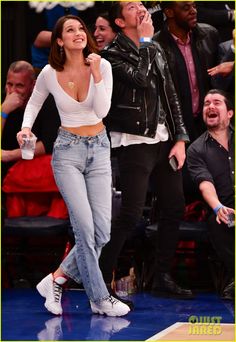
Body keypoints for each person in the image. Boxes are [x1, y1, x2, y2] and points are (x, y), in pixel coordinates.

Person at [17, 14, 130, 317]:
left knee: (101, 232)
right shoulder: (49, 73)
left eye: (81, 28)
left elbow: (102, 110)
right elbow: (34, 102)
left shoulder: (101, 65)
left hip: (99, 149)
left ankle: (56, 279)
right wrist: (26, 127)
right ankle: (99, 298)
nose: (79, 33)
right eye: (71, 30)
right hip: (66, 151)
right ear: (59, 40)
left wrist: (96, 73)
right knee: (84, 229)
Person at [99, 1, 193, 300]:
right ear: (119, 20)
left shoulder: (154, 48)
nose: (140, 7)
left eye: (141, 3)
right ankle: (100, 280)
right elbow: (139, 79)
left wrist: (180, 137)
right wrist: (148, 42)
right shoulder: (110, 56)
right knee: (130, 214)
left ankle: (161, 276)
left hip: (164, 140)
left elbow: (170, 93)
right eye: (131, 5)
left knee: (174, 205)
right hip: (134, 141)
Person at [187, 89, 235, 300]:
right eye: (206, 104)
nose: (210, 107)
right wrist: (217, 207)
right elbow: (204, 182)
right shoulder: (197, 149)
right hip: (223, 205)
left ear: (230, 113)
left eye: (216, 102)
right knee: (219, 222)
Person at [154, 1, 219, 143]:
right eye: (186, 8)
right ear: (169, 12)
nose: (193, 11)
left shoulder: (209, 34)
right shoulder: (155, 45)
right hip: (177, 131)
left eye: (194, 6)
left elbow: (218, 82)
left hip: (208, 122)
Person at [1, 61, 60, 182]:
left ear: (33, 85)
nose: (13, 91)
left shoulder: (47, 102)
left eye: (19, 86)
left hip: (35, 169)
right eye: (9, 84)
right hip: (6, 169)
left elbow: (48, 144)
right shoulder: (4, 99)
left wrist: (10, 155)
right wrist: (4, 110)